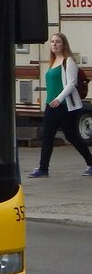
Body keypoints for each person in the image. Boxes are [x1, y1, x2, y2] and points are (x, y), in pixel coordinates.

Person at [28, 32, 92, 177]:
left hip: (65, 106)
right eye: (52, 42)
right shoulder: (52, 63)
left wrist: (58, 98)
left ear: (64, 44)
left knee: (72, 136)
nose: (54, 44)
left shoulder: (68, 61)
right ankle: (43, 169)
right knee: (47, 136)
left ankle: (90, 162)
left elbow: (71, 84)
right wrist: (51, 100)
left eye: (58, 42)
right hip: (51, 106)